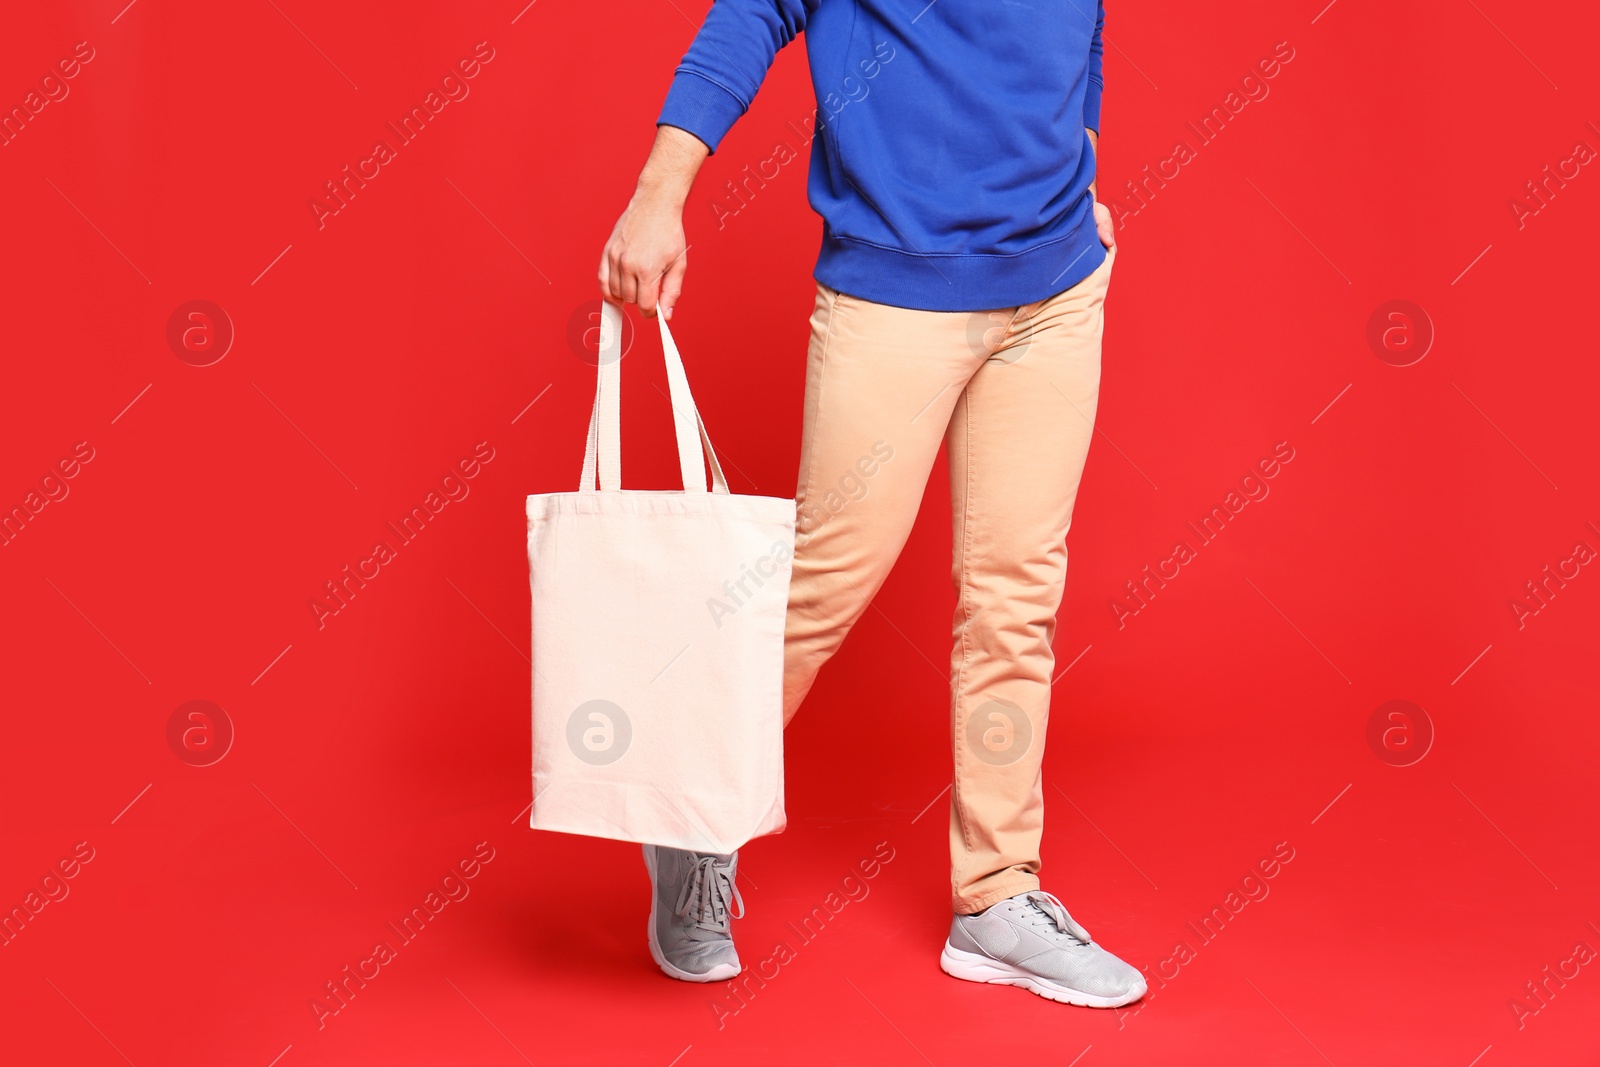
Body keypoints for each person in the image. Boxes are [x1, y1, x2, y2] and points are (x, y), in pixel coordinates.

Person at [598, 0, 1145, 1009]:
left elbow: (1082, 28)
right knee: (816, 587)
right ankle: (686, 815)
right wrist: (658, 191)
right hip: (896, 290)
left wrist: (1083, 163)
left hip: (1059, 283)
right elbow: (751, 15)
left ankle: (995, 894)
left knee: (1015, 597)